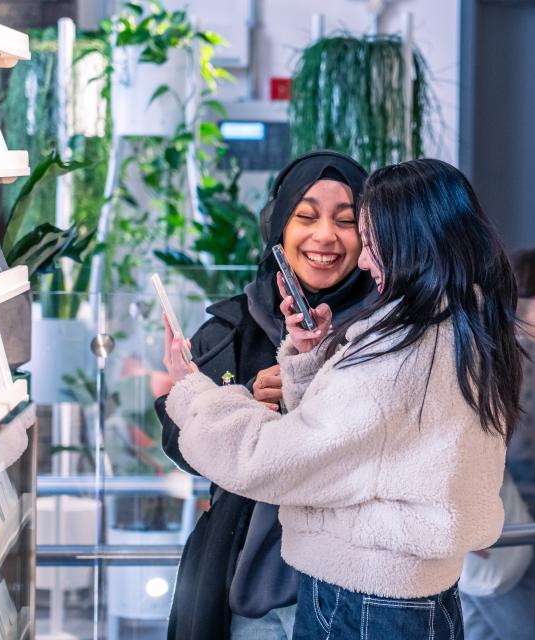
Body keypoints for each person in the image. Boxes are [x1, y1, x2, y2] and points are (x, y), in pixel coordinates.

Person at [161, 158, 525, 638]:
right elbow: (370, 447)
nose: (361, 256)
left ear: (407, 241)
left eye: (363, 234)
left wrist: (192, 392)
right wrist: (313, 362)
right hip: (409, 592)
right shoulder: (460, 327)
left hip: (368, 599)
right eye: (306, 217)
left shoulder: (395, 352)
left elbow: (270, 459)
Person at [154, 150, 374, 639]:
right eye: (306, 216)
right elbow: (178, 441)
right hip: (245, 587)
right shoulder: (234, 325)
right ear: (278, 227)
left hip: (357, 585)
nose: (325, 237)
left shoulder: (386, 332)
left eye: (346, 221)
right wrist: (242, 406)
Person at [459, 248, 535, 640]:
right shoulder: (529, 365)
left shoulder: (487, 352)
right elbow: (529, 459)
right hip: (516, 532)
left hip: (491, 533)